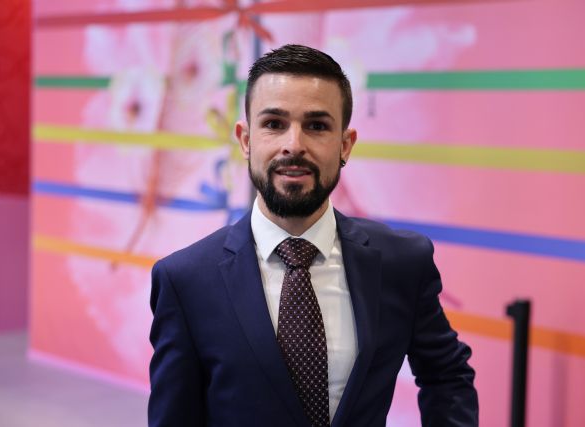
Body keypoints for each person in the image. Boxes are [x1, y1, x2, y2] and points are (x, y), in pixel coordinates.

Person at [148, 44, 478, 427]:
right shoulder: (186, 281)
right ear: (245, 140)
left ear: (345, 145)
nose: (294, 145)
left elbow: (447, 375)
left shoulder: (402, 263)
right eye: (274, 124)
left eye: (317, 126)